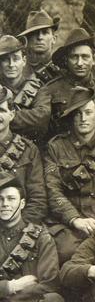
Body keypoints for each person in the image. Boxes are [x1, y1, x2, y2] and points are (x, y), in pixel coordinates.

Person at [45, 87, 95, 262]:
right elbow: (52, 189)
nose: (83, 118)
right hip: (69, 225)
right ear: (71, 117)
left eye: (88, 112)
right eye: (78, 113)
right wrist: (74, 219)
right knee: (68, 253)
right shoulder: (56, 147)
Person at [0, 172, 65, 302]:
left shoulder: (40, 236)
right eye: (0, 199)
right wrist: (10, 286)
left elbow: (50, 284)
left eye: (11, 199)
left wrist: (8, 299)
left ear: (22, 204)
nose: (5, 204)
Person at [43, 27, 95, 140]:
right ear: (66, 60)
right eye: (74, 57)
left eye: (85, 57)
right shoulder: (50, 90)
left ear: (94, 59)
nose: (79, 63)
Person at [0, 86, 46, 225]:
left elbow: (38, 200)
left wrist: (17, 228)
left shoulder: (28, 150)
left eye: (1, 110)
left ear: (12, 114)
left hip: (18, 227)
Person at [0, 34, 50, 143]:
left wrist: (6, 117)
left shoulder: (39, 88)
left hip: (26, 151)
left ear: (24, 60)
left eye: (16, 59)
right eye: (5, 60)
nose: (11, 64)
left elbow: (42, 118)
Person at [18, 9, 61, 85]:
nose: (40, 37)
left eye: (45, 32)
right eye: (34, 33)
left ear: (54, 39)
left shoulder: (61, 68)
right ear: (27, 39)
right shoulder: (17, 68)